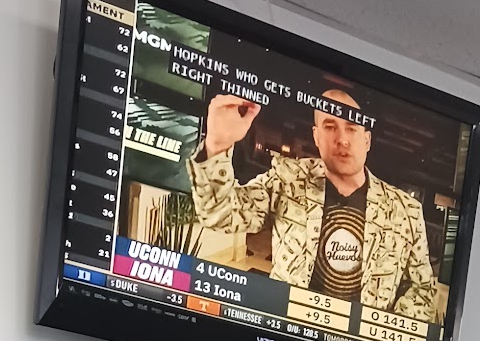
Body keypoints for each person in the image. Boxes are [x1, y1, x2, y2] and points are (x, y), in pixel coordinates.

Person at [187, 86, 438, 320]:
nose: (342, 139)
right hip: (286, 332)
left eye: (351, 128)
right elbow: (219, 214)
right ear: (316, 137)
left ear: (367, 140)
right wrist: (217, 145)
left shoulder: (406, 210)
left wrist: (382, 334)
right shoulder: (287, 180)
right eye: (330, 126)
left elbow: (423, 290)